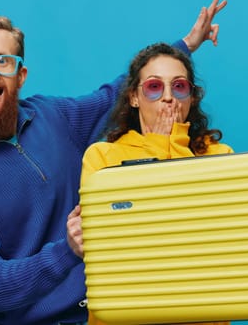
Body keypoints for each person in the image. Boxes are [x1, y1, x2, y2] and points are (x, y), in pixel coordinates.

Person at [0, 0, 227, 325]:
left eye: (3, 62)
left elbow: (121, 91)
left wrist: (185, 45)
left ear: (21, 74)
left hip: (94, 314)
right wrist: (66, 251)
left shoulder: (54, 117)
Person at [70, 42, 233, 325]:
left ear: (192, 98)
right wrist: (158, 146)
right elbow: (124, 244)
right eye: (154, 87)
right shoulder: (102, 157)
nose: (168, 97)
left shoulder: (220, 155)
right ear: (134, 96)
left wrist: (174, 143)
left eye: (179, 86)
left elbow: (207, 238)